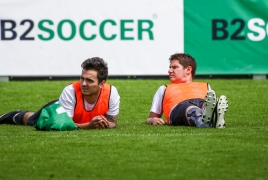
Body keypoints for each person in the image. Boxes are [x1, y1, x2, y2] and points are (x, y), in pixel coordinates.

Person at [0, 57, 120, 130]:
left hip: (77, 118)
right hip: (58, 111)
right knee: (32, 121)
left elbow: (113, 122)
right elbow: (65, 125)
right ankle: (14, 115)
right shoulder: (70, 91)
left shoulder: (111, 93)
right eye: (82, 78)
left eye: (89, 80)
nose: (83, 83)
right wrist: (90, 126)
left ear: (102, 83)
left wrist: (104, 124)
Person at [146, 53, 228, 128]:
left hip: (201, 102)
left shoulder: (206, 86)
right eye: (170, 67)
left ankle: (211, 115)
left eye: (174, 67)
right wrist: (153, 120)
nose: (169, 71)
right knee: (190, 108)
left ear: (188, 70)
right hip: (179, 107)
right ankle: (204, 120)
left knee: (208, 103)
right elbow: (151, 118)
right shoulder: (164, 88)